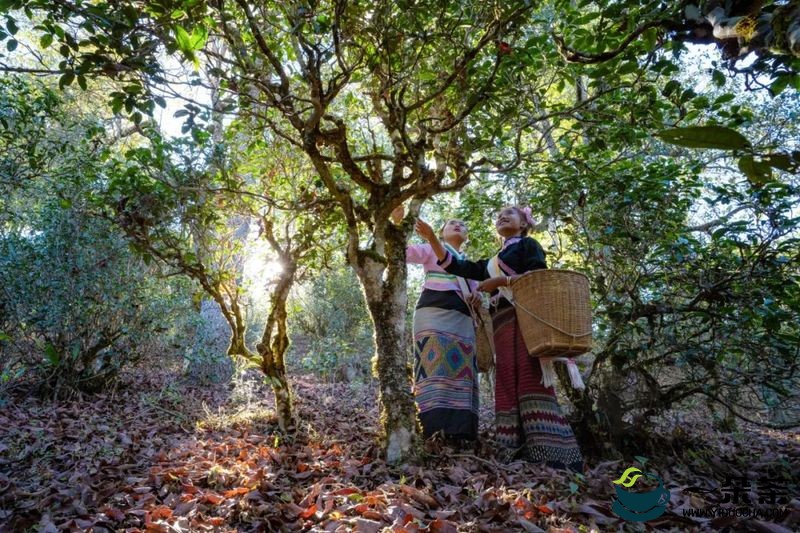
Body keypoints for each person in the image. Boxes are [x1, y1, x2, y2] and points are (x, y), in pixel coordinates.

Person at [414, 206, 584, 471]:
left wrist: (501, 281)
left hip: (527, 318)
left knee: (529, 375)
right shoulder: (493, 261)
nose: (503, 217)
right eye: (499, 215)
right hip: (501, 322)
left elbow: (538, 279)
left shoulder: (529, 245)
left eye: (511, 214)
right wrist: (432, 240)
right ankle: (511, 447)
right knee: (506, 375)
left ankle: (552, 452)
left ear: (524, 224)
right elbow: (457, 266)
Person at [392, 206, 481, 442]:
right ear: (441, 233)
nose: (458, 225)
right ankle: (431, 427)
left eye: (462, 224)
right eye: (452, 223)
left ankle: (461, 431)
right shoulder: (431, 249)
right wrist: (398, 223)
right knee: (433, 365)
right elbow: (403, 252)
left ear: (467, 236)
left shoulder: (467, 265)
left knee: (462, 370)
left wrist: (478, 296)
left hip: (462, 319)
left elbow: (477, 293)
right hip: (432, 312)